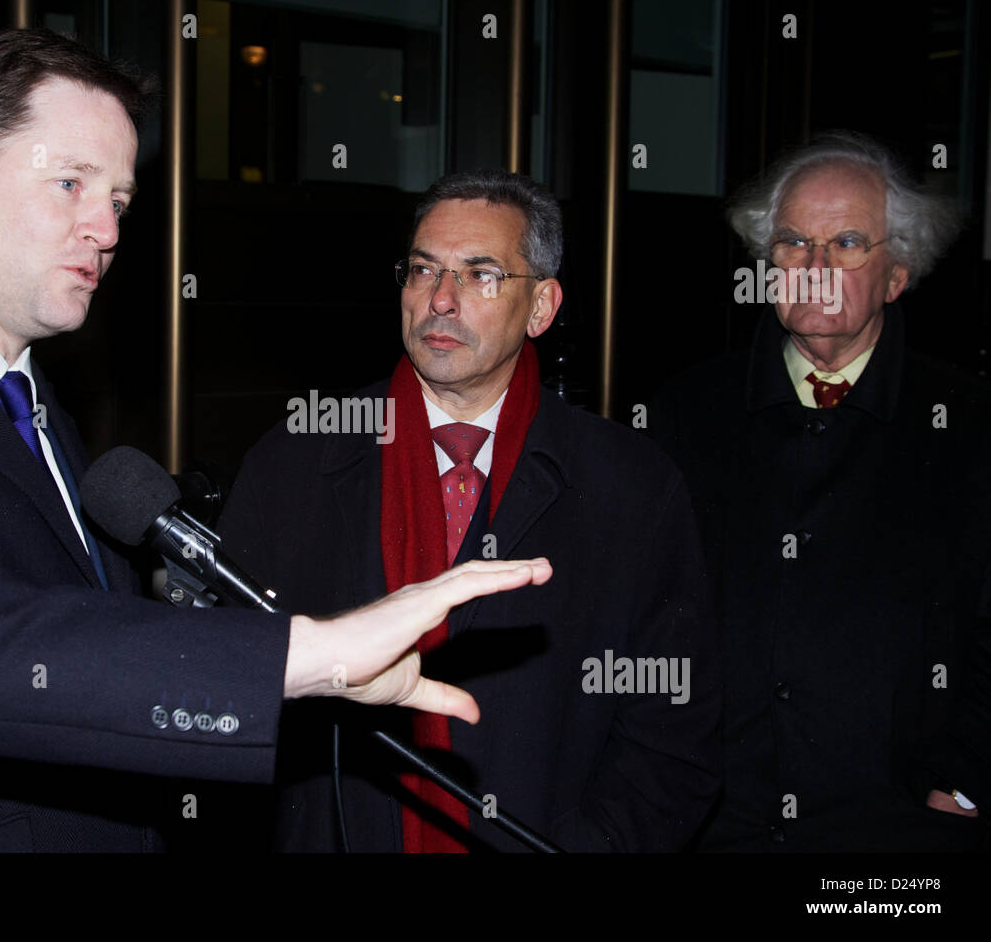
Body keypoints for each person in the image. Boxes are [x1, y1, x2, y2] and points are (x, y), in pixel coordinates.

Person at [0, 28, 552, 852]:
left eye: (116, 200)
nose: (107, 231)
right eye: (70, 183)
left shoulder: (51, 423)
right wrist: (307, 652)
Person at [217, 170, 722, 851]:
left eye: (481, 275)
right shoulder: (296, 462)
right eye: (424, 270)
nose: (442, 300)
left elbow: (673, 734)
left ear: (541, 307)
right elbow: (225, 689)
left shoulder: (631, 487)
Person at [650, 131, 991, 850]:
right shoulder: (687, 411)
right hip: (717, 821)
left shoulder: (967, 424)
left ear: (897, 274)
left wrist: (965, 782)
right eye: (794, 243)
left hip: (897, 827)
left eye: (847, 243)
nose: (815, 267)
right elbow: (647, 607)